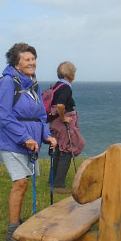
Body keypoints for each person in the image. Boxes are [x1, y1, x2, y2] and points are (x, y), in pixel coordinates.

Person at [0, 43, 57, 241]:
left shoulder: (32, 83)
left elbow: (40, 114)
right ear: (16, 63)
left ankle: (18, 223)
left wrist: (46, 135)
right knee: (20, 183)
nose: (32, 63)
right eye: (27, 60)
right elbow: (4, 115)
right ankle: (12, 231)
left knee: (25, 183)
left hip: (30, 143)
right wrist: (24, 137)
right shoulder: (7, 82)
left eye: (33, 59)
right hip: (11, 141)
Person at [48, 62, 85, 193]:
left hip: (54, 123)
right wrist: (64, 118)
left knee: (59, 150)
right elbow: (60, 105)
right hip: (62, 124)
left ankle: (52, 181)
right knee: (67, 150)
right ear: (71, 75)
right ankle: (58, 185)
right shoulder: (66, 88)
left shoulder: (56, 85)